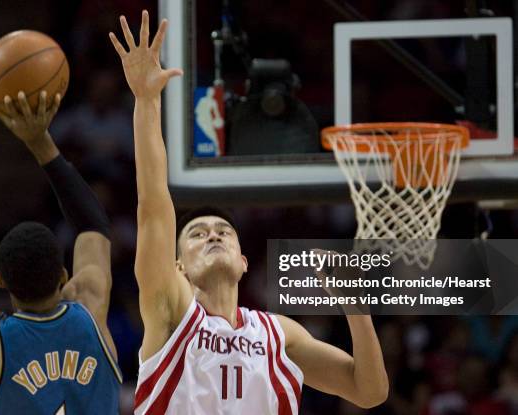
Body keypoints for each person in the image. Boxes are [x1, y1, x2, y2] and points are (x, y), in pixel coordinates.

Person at [109, 11, 388, 414]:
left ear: (243, 262)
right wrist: (147, 102)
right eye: (197, 234)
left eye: (223, 230)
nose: (213, 234)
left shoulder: (278, 333)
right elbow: (153, 208)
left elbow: (370, 391)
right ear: (177, 268)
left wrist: (354, 304)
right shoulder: (170, 313)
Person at [0, 79, 122, 414]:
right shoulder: (90, 305)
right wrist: (41, 143)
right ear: (64, 274)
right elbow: (93, 225)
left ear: (1, 282)